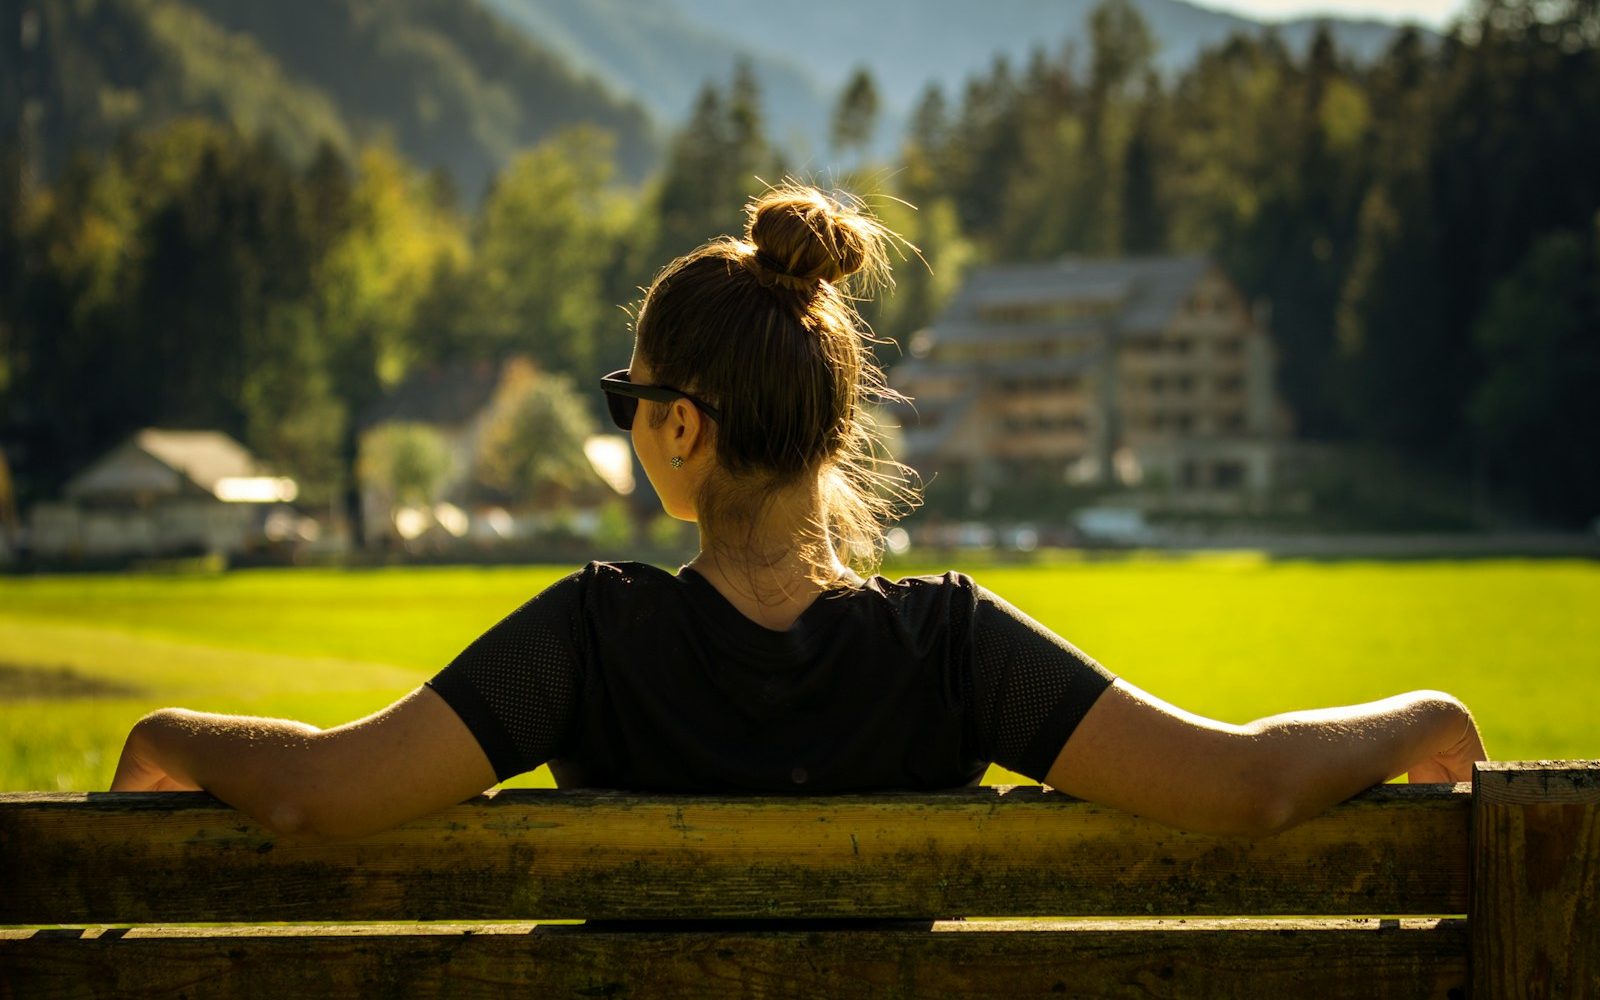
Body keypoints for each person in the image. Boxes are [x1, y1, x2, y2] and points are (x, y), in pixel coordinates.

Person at [110, 186, 1488, 841]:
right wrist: (1420, 714)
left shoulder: (590, 640)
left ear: (684, 427)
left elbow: (314, 795)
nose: (628, 426)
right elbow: (1245, 785)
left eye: (626, 401)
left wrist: (166, 732)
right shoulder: (954, 650)